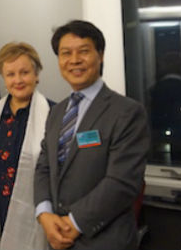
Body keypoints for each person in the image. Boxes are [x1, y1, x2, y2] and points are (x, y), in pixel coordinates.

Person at [34, 20, 150, 250]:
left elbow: (122, 182)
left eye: (84, 51)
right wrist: (44, 214)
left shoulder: (127, 112)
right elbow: (44, 168)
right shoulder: (57, 112)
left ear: (101, 55)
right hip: (56, 237)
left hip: (104, 241)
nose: (74, 60)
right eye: (66, 53)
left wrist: (75, 222)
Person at [0, 42, 50, 250]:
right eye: (10, 74)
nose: (18, 80)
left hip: (40, 211)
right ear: (3, 77)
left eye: (24, 72)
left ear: (36, 75)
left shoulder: (53, 114)